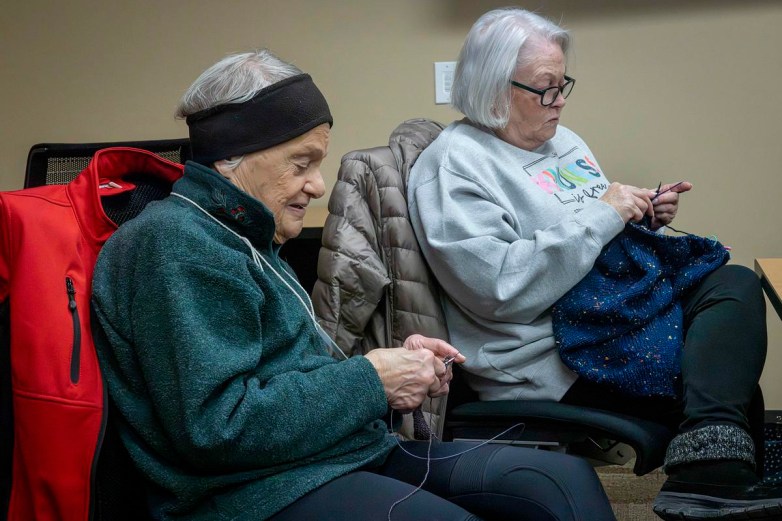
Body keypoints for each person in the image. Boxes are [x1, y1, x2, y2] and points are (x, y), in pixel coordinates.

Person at [90, 49, 617, 521]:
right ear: (233, 161)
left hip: (331, 452)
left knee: (560, 482)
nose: (317, 185)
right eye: (302, 164)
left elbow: (288, 376)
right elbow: (217, 428)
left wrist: (396, 367)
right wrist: (371, 381)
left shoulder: (246, 230)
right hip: (246, 490)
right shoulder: (177, 247)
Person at [407, 7, 782, 521]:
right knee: (725, 388)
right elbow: (500, 290)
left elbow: (589, 228)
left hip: (610, 311)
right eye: (545, 89)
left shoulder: (561, 142)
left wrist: (639, 214)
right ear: (494, 87)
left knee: (733, 286)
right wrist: (607, 214)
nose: (559, 102)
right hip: (551, 348)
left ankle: (712, 480)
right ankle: (711, 482)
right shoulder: (453, 168)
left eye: (564, 85)